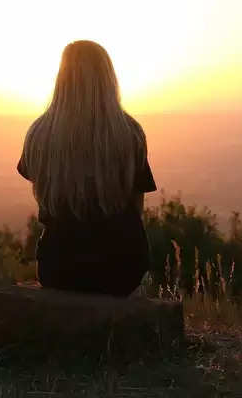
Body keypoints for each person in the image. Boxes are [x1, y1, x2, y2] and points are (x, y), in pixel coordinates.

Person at [17, 40, 157, 296]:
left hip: (59, 267)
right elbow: (137, 210)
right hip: (123, 267)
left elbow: (42, 197)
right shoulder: (130, 133)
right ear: (108, 79)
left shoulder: (39, 134)